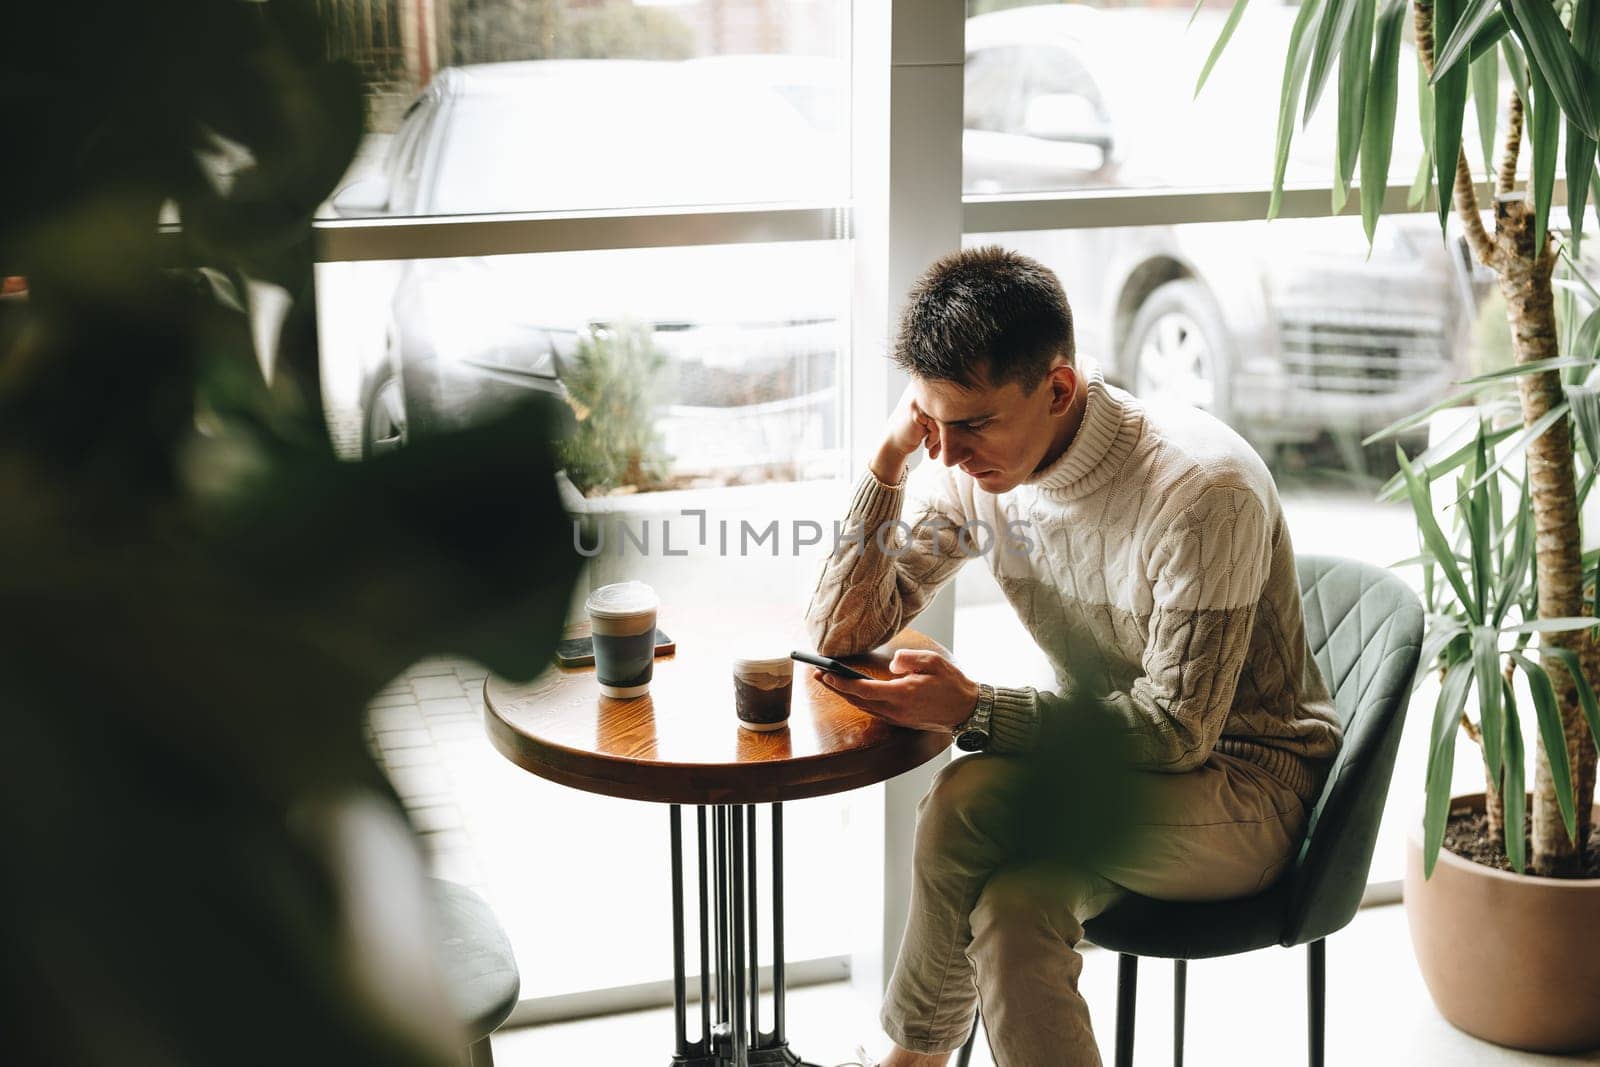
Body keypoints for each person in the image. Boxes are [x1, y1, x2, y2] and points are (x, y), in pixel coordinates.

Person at [803, 246, 1342, 1067]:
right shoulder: (970, 466)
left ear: (1058, 388)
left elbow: (1178, 732)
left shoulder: (1201, 491)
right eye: (928, 422)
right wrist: (885, 466)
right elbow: (837, 635)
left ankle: (907, 1063)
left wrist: (975, 709)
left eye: (972, 422)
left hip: (1249, 788)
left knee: (968, 794)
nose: (946, 452)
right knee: (1013, 914)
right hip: (1115, 781)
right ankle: (912, 1062)